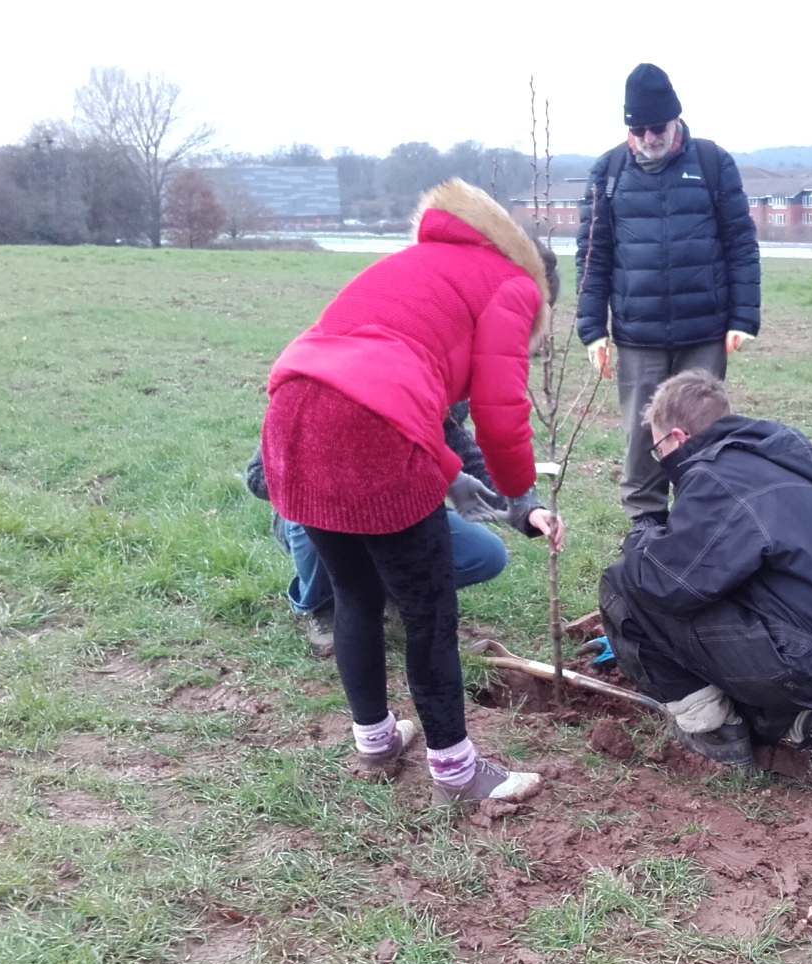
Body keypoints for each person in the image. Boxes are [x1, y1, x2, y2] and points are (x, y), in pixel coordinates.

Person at [262, 179, 563, 802]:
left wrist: (490, 491)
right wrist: (518, 489)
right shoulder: (514, 286)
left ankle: (375, 740)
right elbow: (500, 410)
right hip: (373, 429)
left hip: (292, 413)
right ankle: (456, 770)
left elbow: (424, 396)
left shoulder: (422, 266)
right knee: (428, 610)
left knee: (354, 592)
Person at [598, 371, 812, 785]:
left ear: (677, 437)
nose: (661, 462)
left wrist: (643, 534)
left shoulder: (716, 479)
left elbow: (666, 584)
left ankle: (713, 730)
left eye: (659, 448)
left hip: (804, 664)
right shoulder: (774, 461)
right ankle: (811, 719)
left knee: (624, 583)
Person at [576, 63, 761, 531]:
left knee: (702, 431)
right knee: (644, 439)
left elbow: (741, 245)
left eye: (655, 127)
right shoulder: (609, 171)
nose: (646, 137)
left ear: (675, 120)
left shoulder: (713, 163)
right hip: (638, 336)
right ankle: (646, 527)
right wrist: (593, 328)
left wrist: (743, 317)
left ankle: (704, 522)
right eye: (636, 129)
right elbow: (593, 257)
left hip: (705, 331)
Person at [245, 404, 533, 656]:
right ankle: (321, 606)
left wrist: (526, 508)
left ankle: (394, 590)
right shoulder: (316, 392)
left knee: (486, 554)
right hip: (318, 510)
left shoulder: (435, 388)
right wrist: (327, 477)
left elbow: (466, 456)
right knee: (311, 524)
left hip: (393, 513)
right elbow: (257, 476)